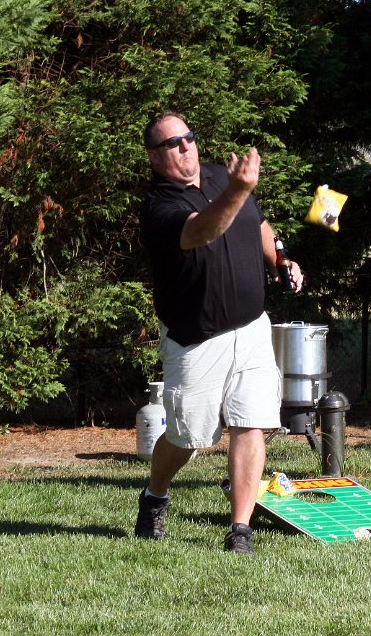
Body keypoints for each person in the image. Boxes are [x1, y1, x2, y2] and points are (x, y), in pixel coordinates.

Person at [136, 111, 303, 554]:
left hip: (251, 327)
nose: (187, 146)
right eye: (174, 143)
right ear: (156, 157)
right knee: (188, 438)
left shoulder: (218, 175)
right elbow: (202, 232)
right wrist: (239, 188)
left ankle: (240, 530)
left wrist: (281, 261)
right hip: (197, 340)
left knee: (252, 424)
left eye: (189, 137)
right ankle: (155, 494)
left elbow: (258, 225)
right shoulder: (159, 206)